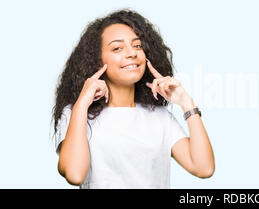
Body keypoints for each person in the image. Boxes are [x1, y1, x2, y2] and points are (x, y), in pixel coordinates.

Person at [52, 9, 215, 188]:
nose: (132, 53)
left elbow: (204, 168)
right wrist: (82, 103)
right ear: (96, 60)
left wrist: (186, 103)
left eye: (137, 46)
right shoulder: (77, 114)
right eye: (117, 48)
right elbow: (75, 175)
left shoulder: (160, 117)